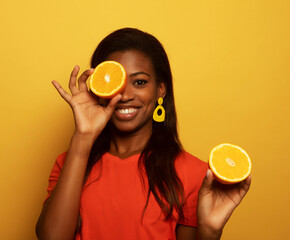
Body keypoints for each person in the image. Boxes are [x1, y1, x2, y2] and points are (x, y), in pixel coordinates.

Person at [36, 28, 251, 240]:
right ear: (98, 88)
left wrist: (210, 233)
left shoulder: (194, 174)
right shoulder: (70, 163)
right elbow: (51, 237)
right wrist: (83, 136)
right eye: (115, 83)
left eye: (139, 82)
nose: (126, 95)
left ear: (161, 89)